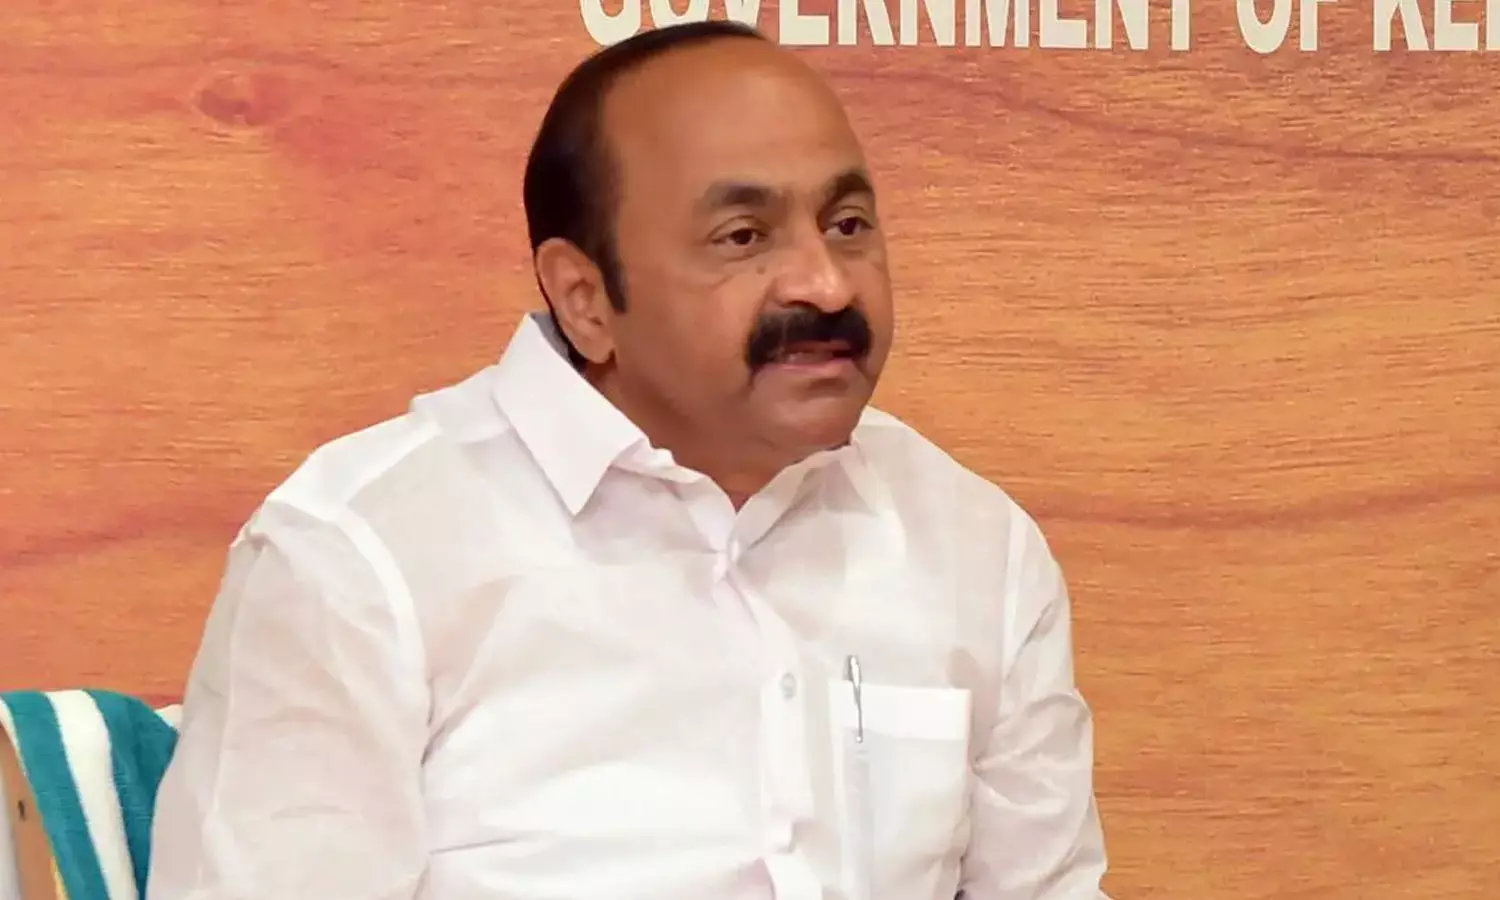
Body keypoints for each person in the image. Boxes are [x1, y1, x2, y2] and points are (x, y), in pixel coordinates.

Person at [147, 20, 1111, 900]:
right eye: (744, 237)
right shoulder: (359, 561)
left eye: (847, 225)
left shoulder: (975, 546)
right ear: (585, 299)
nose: (824, 284)